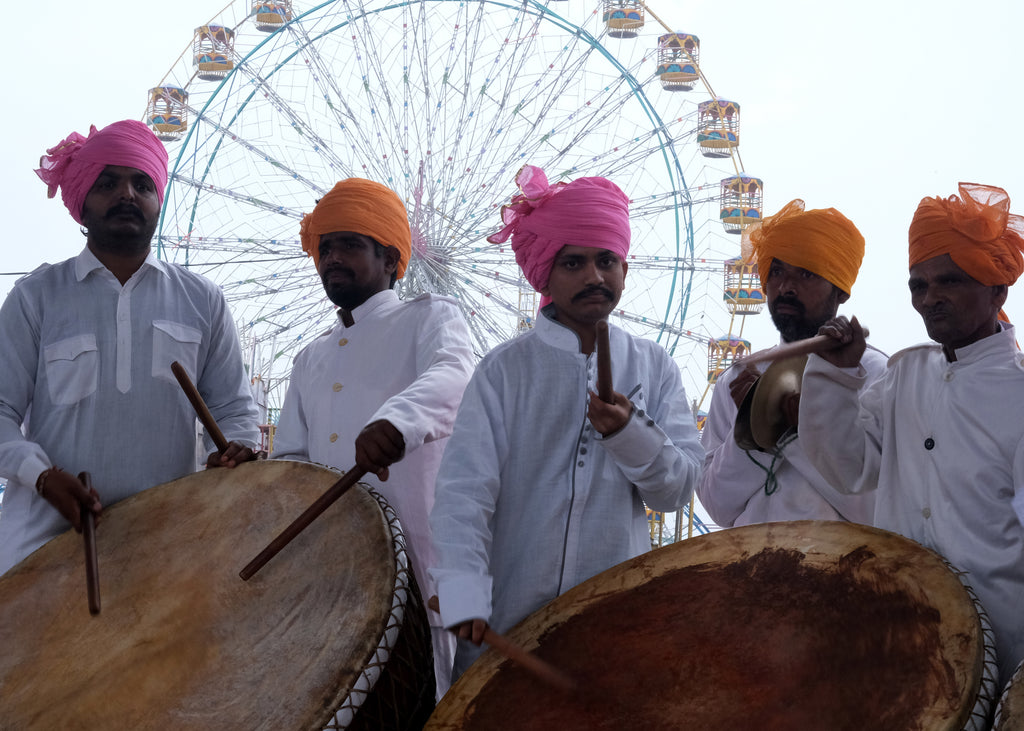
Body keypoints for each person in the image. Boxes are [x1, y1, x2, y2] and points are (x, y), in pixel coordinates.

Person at [429, 165, 704, 683]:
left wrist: (629, 434)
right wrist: (464, 594)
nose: (594, 276)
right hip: (508, 631)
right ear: (545, 275)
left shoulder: (654, 366)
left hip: (614, 628)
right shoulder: (504, 371)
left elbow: (678, 490)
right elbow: (463, 492)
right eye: (573, 262)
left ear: (625, 268)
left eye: (607, 261)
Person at [0, 120, 259, 577]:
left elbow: (235, 412)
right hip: (44, 544)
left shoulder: (202, 300)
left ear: (159, 200)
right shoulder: (36, 296)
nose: (127, 195)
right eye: (108, 183)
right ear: (82, 202)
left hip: (170, 543)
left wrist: (237, 449)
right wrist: (40, 476)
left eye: (142, 183)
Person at [799, 182, 1024, 687]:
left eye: (949, 281)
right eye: (918, 285)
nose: (930, 298)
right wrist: (835, 375)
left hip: (1004, 648)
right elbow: (849, 469)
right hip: (897, 634)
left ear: (998, 289)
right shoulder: (902, 375)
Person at [271, 178, 475, 700]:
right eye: (324, 247)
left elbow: (455, 376)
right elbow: (291, 461)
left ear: (389, 259)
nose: (332, 257)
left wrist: (397, 423)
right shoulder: (309, 358)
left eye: (349, 245)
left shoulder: (431, 316)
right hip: (329, 576)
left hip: (420, 574)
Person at [697, 200, 886, 527]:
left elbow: (880, 510)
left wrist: (790, 431)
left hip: (844, 571)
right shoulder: (739, 378)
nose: (786, 287)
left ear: (840, 290)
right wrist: (751, 425)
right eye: (778, 271)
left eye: (806, 273)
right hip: (746, 570)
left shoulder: (874, 372)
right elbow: (717, 507)